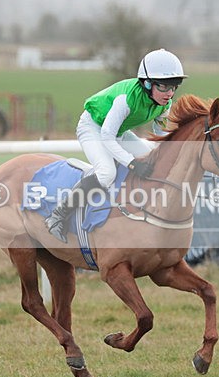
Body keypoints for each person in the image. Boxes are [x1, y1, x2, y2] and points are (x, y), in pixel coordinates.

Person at [45, 48, 187, 242]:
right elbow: (107, 136)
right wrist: (132, 163)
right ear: (147, 83)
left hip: (117, 132)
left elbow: (161, 135)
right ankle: (58, 215)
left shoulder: (165, 104)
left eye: (174, 87)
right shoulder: (126, 100)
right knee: (107, 173)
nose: (169, 93)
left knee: (152, 161)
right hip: (93, 128)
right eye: (163, 87)